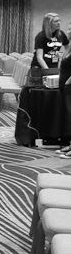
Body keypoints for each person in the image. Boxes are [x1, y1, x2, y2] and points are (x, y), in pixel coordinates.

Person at [58, 22, 71, 157]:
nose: (68, 31)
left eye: (70, 29)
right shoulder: (69, 46)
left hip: (69, 86)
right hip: (65, 86)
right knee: (68, 117)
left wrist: (68, 82)